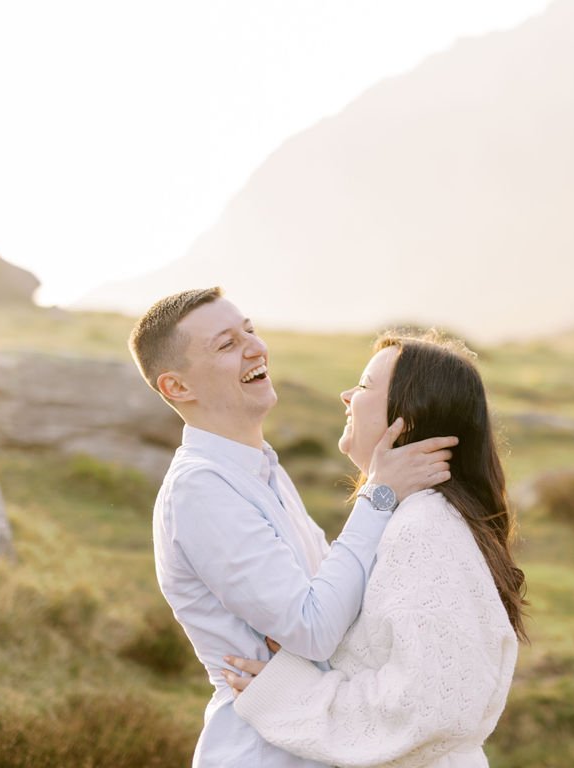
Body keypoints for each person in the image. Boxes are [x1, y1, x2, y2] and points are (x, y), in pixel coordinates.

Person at [128, 288, 459, 768]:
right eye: (227, 344)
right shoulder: (200, 488)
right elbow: (316, 629)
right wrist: (379, 494)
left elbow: (334, 609)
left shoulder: (261, 469)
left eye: (250, 330)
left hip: (318, 735)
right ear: (177, 387)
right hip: (263, 751)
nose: (255, 348)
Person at [223, 331, 527, 767]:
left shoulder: (424, 526)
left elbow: (432, 706)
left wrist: (289, 695)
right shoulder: (409, 517)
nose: (346, 395)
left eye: (365, 386)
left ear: (407, 421)